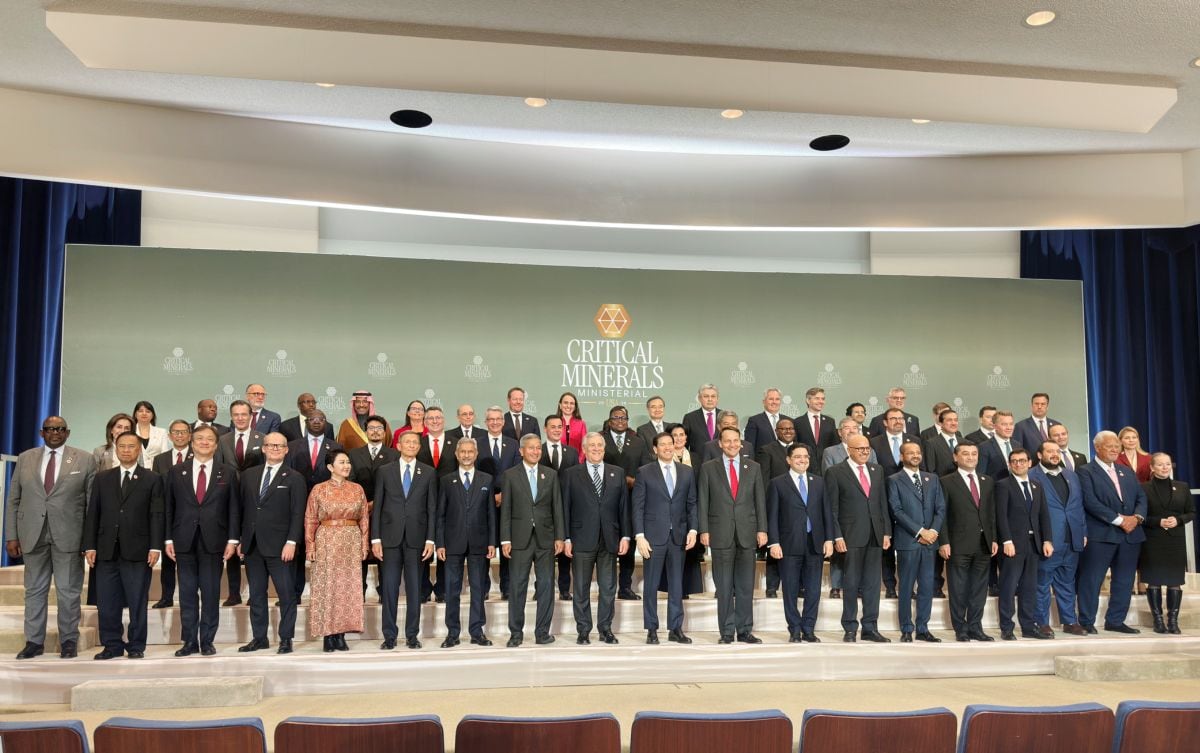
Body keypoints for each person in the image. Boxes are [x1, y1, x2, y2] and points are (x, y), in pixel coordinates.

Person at [6, 416, 97, 659]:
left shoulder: (85, 459)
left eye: (59, 429)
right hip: (32, 534)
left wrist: (89, 541)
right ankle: (34, 642)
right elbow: (14, 499)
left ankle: (68, 641)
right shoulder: (25, 458)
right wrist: (11, 535)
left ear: (67, 433)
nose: (54, 432)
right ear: (41, 432)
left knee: (68, 591)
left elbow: (91, 504)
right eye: (49, 429)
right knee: (34, 590)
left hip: (69, 535)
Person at [83, 432, 163, 659]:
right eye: (122, 446)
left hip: (138, 550)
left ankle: (136, 646)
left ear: (139, 450)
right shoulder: (102, 478)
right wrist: (90, 545)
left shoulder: (152, 478)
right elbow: (93, 514)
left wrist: (155, 546)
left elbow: (156, 514)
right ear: (116, 449)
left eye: (131, 446)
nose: (126, 450)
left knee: (137, 601)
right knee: (107, 602)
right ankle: (112, 645)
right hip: (106, 550)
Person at [164, 424, 240, 657]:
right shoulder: (177, 472)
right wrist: (168, 539)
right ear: (191, 442)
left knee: (210, 593)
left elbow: (234, 509)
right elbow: (169, 508)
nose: (204, 442)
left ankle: (207, 640)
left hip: (214, 541)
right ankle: (189, 641)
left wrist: (233, 540)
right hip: (183, 540)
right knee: (187, 593)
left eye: (209, 439)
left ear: (216, 445)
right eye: (199, 439)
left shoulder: (226, 472)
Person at [236, 432, 305, 654]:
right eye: (270, 445)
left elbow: (297, 513)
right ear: (263, 448)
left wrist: (292, 541)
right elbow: (242, 510)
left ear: (286, 450)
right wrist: (239, 539)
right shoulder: (248, 475)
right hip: (253, 545)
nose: (275, 448)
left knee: (286, 594)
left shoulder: (294, 477)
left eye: (279, 446)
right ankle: (259, 637)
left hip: (281, 546)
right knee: (256, 594)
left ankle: (286, 638)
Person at [698, 426, 767, 644]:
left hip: (747, 533)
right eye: (727, 441)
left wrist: (762, 529)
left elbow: (760, 501)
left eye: (736, 441)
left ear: (741, 443)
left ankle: (745, 630)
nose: (732, 445)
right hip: (720, 533)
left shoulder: (753, 467)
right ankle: (727, 632)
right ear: (720, 443)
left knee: (746, 585)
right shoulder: (709, 468)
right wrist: (704, 530)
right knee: (725, 586)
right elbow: (703, 501)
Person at [1076, 430, 1147, 635]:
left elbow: (1141, 498)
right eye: (1110, 446)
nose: (1115, 449)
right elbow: (1090, 502)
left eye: (1117, 445)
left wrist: (1136, 518)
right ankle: (1087, 621)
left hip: (1130, 535)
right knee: (1092, 579)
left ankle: (1115, 621)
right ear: (1097, 448)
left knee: (1124, 580)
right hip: (1102, 535)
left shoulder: (1126, 471)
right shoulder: (1085, 471)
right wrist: (1119, 520)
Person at [561, 432, 629, 644]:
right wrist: (566, 538)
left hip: (610, 539)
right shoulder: (571, 474)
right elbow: (565, 508)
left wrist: (625, 535)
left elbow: (623, 508)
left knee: (608, 588)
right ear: (584, 449)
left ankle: (605, 629)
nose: (597, 449)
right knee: (581, 587)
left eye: (600, 445)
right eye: (592, 446)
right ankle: (583, 630)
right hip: (581, 539)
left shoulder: (617, 473)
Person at [371, 430, 436, 650]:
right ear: (398, 445)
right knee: (389, 588)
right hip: (389, 539)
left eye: (414, 442)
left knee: (415, 589)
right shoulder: (384, 471)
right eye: (406, 442)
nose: (410, 445)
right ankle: (389, 635)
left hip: (417, 540)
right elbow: (377, 506)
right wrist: (375, 538)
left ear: (419, 447)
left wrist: (430, 539)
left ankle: (411, 635)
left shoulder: (427, 472)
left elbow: (432, 509)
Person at [633, 432, 698, 644]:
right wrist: (640, 536)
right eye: (663, 445)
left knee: (677, 585)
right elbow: (638, 506)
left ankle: (675, 628)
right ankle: (652, 628)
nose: (668, 447)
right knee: (651, 585)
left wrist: (693, 530)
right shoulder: (645, 472)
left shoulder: (687, 472)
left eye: (671, 444)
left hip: (678, 536)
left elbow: (691, 504)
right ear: (655, 449)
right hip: (653, 537)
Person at [826, 434, 892, 643]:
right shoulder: (835, 472)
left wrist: (886, 532)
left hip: (875, 534)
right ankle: (850, 627)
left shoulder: (877, 470)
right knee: (851, 583)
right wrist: (836, 535)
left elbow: (882, 503)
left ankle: (870, 627)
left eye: (867, 449)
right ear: (849, 450)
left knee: (873, 584)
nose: (865, 452)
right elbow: (832, 508)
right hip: (850, 536)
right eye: (860, 449)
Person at [500, 434, 563, 646]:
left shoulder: (551, 474)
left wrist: (560, 537)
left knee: (546, 585)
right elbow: (506, 509)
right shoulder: (510, 475)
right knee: (518, 586)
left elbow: (557, 508)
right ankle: (516, 634)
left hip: (546, 539)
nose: (535, 451)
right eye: (531, 448)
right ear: (521, 451)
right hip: (519, 539)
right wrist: (505, 539)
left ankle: (542, 633)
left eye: (538, 448)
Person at [306, 447, 370, 651]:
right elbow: (310, 518)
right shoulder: (319, 489)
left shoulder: (357, 489)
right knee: (327, 586)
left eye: (348, 462)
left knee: (347, 588)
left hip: (351, 540)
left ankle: (341, 634)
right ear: (330, 467)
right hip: (326, 540)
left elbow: (364, 520)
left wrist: (364, 545)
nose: (347, 466)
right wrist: (310, 546)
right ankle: (328, 634)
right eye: (342, 462)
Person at [767, 443, 831, 642]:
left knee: (813, 590)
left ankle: (809, 628)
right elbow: (772, 516)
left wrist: (829, 539)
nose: (802, 460)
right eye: (797, 457)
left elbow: (827, 513)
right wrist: (774, 542)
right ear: (788, 459)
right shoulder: (777, 483)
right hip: (789, 544)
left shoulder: (819, 482)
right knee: (790, 589)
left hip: (815, 543)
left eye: (806, 457)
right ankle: (794, 629)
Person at [435, 438, 495, 647]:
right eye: (463, 452)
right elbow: (440, 515)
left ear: (476, 454)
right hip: (452, 544)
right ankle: (452, 633)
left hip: (479, 543)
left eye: (471, 451)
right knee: (452, 590)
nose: (467, 455)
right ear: (457, 454)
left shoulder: (487, 479)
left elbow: (490, 514)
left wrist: (492, 542)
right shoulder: (446, 480)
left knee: (478, 589)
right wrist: (440, 543)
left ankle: (477, 632)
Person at [938, 442, 997, 642]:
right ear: (956, 458)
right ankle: (960, 628)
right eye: (965, 454)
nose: (970, 457)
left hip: (983, 544)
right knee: (958, 588)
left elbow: (991, 514)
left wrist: (994, 538)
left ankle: (975, 627)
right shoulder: (946, 481)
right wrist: (943, 542)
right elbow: (942, 515)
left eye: (974, 454)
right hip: (957, 544)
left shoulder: (987, 480)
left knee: (979, 590)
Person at [886, 441, 944, 642]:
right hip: (908, 541)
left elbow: (940, 508)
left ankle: (922, 628)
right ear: (902, 457)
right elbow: (896, 510)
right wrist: (920, 531)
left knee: (927, 586)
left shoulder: (932, 478)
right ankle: (906, 629)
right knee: (907, 587)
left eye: (918, 452)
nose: (915, 456)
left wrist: (934, 531)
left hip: (930, 542)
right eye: (910, 453)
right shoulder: (894, 480)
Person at [1029, 440, 1087, 636]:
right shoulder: (1031, 476)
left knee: (1067, 582)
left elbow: (1078, 506)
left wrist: (1083, 532)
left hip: (1071, 538)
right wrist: (1042, 538)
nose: (1055, 454)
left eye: (1057, 451)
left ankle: (1070, 622)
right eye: (1050, 451)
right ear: (1039, 455)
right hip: (1048, 540)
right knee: (1042, 583)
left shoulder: (1070, 475)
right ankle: (1041, 622)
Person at [995, 448, 1054, 640]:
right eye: (1014, 461)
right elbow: (1001, 516)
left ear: (1029, 463)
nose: (1018, 464)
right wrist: (1006, 540)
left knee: (1029, 588)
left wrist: (1047, 539)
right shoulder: (1003, 485)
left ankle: (1028, 627)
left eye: (1021, 461)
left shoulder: (1037, 485)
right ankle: (1007, 627)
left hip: (1034, 544)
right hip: (1013, 545)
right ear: (1010, 465)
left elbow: (1044, 515)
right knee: (1009, 587)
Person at [286, 410, 338, 603]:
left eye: (321, 419)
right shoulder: (292, 446)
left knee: (325, 551)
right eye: (312, 419)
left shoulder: (335, 446)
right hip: (298, 505)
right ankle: (295, 593)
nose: (316, 422)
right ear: (306, 422)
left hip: (327, 509)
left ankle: (324, 595)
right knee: (297, 550)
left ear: (326, 423)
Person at [1140, 452, 1194, 634]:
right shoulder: (1144, 488)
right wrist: (1158, 522)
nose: (1165, 467)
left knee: (1174, 581)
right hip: (1153, 540)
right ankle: (1158, 621)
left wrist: (1178, 520)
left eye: (1168, 464)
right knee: (1154, 581)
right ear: (1152, 468)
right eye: (1161, 465)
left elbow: (1191, 512)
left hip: (1175, 541)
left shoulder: (1182, 486)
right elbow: (1140, 516)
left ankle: (1172, 621)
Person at [347, 415, 398, 598]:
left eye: (379, 429)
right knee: (360, 553)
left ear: (384, 433)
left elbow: (395, 484)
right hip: (360, 512)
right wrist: (363, 504)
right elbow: (350, 482)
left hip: (386, 512)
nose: (375, 431)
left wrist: (376, 502)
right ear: (366, 431)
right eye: (371, 428)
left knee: (384, 553)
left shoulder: (394, 454)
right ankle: (357, 595)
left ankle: (385, 593)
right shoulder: (353, 454)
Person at [603, 405, 647, 600]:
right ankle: (609, 586)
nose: (620, 421)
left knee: (628, 543)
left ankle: (625, 587)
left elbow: (646, 469)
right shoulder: (600, 440)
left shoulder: (638, 442)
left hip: (631, 500)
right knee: (609, 544)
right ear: (610, 420)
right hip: (606, 500)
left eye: (624, 418)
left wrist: (635, 483)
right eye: (616, 417)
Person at [478, 406, 520, 598]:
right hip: (483, 501)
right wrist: (489, 496)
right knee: (485, 545)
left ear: (503, 422)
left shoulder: (513, 444)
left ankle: (507, 587)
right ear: (486, 422)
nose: (494, 422)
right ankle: (483, 588)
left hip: (508, 500)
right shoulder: (477, 443)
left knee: (506, 545)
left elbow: (518, 471)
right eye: (490, 419)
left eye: (498, 419)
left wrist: (504, 494)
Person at [151, 419, 193, 608]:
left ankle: (190, 597)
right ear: (169, 436)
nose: (179, 435)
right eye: (175, 432)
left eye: (183, 432)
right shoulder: (161, 459)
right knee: (169, 559)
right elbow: (157, 488)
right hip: (168, 514)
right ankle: (166, 596)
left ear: (190, 435)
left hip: (191, 514)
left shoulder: (198, 456)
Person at [541, 414, 578, 600]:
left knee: (565, 547)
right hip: (543, 508)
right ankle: (542, 587)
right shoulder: (537, 451)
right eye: (552, 426)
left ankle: (564, 588)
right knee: (543, 550)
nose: (556, 430)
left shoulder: (571, 452)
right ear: (545, 429)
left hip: (567, 506)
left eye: (559, 427)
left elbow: (576, 478)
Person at [216, 400, 265, 473]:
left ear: (251, 416)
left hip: (254, 483)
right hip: (229, 483)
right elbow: (219, 466)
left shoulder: (263, 438)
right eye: (236, 415)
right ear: (231, 417)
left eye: (244, 414)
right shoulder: (222, 440)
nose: (240, 418)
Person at [795, 387, 838, 466]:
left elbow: (835, 445)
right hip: (805, 465)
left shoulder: (830, 421)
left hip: (827, 464)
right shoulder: (798, 422)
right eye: (817, 398)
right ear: (808, 400)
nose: (821, 401)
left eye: (823, 399)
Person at [977, 410, 1022, 480]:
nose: (1009, 428)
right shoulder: (984, 447)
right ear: (995, 426)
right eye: (1004, 424)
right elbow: (981, 475)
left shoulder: (1017, 445)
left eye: (1011, 424)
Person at [680, 383, 721, 455]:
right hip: (698, 463)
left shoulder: (724, 416)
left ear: (717, 398)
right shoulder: (689, 418)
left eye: (713, 396)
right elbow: (684, 445)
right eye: (706, 396)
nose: (710, 399)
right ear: (699, 398)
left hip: (721, 463)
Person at [921, 408, 964, 478]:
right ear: (941, 423)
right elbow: (930, 470)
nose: (953, 423)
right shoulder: (931, 444)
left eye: (956, 420)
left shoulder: (965, 443)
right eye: (949, 420)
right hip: (942, 485)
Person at [744, 387, 789, 452]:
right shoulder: (754, 421)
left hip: (786, 461)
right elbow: (749, 447)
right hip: (763, 461)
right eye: (771, 399)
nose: (774, 402)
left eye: (777, 399)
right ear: (764, 402)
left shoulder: (789, 421)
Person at [417, 406, 458, 478]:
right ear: (425, 422)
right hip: (425, 487)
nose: (435, 421)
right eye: (430, 418)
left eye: (438, 418)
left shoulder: (456, 443)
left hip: (449, 487)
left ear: (443, 421)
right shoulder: (418, 443)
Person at [756, 418, 797, 484]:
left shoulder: (804, 449)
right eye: (784, 429)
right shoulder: (766, 450)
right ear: (776, 431)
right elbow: (764, 479)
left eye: (791, 428)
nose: (788, 431)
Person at [131, 400, 171, 469]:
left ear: (152, 415)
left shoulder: (161, 432)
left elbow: (165, 455)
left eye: (148, 411)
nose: (144, 413)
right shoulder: (130, 432)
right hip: (134, 470)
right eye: (140, 411)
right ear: (135, 414)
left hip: (156, 471)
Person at [555, 391, 587, 455]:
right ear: (560, 405)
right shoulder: (554, 423)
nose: (568, 406)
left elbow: (584, 447)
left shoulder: (581, 424)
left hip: (577, 463)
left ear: (575, 407)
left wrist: (578, 463)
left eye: (572, 403)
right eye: (565, 403)